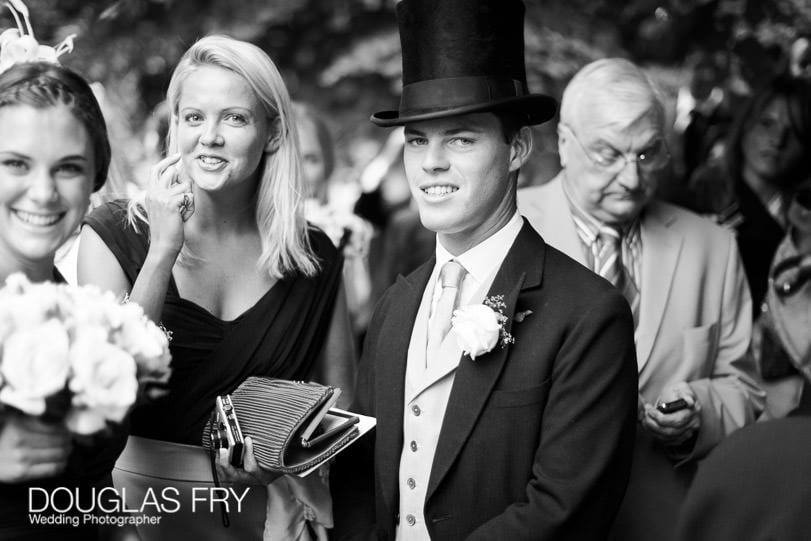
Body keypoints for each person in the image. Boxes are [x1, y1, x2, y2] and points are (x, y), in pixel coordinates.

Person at [331, 1, 639, 539]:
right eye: (417, 140)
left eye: (461, 138)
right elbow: (359, 480)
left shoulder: (589, 315)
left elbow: (567, 507)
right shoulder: (394, 306)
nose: (431, 162)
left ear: (517, 147)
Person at [78, 35, 355, 540]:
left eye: (234, 118)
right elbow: (105, 389)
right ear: (176, 127)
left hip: (264, 519)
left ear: (271, 134)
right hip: (136, 516)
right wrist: (162, 251)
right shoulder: (114, 233)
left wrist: (280, 456)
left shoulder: (314, 254)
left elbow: (340, 402)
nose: (210, 136)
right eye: (193, 117)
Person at [518, 58, 764, 541]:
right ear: (565, 143)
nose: (632, 179)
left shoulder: (712, 246)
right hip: (531, 522)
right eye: (608, 154)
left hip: (664, 521)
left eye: (648, 154)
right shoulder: (507, 231)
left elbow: (747, 390)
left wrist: (700, 409)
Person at [0, 57, 121, 540]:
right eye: (15, 163)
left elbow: (87, 493)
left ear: (94, 178)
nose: (44, 192)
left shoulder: (84, 317)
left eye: (68, 168)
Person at [686, 76, 811, 316]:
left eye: (793, 132)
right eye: (767, 123)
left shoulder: (802, 221)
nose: (777, 140)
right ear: (745, 125)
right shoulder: (698, 198)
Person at [294, 101, 375, 343]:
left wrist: (340, 256)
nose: (297, 171)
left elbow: (359, 313)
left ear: (327, 165)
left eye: (310, 159)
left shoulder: (349, 230)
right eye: (287, 158)